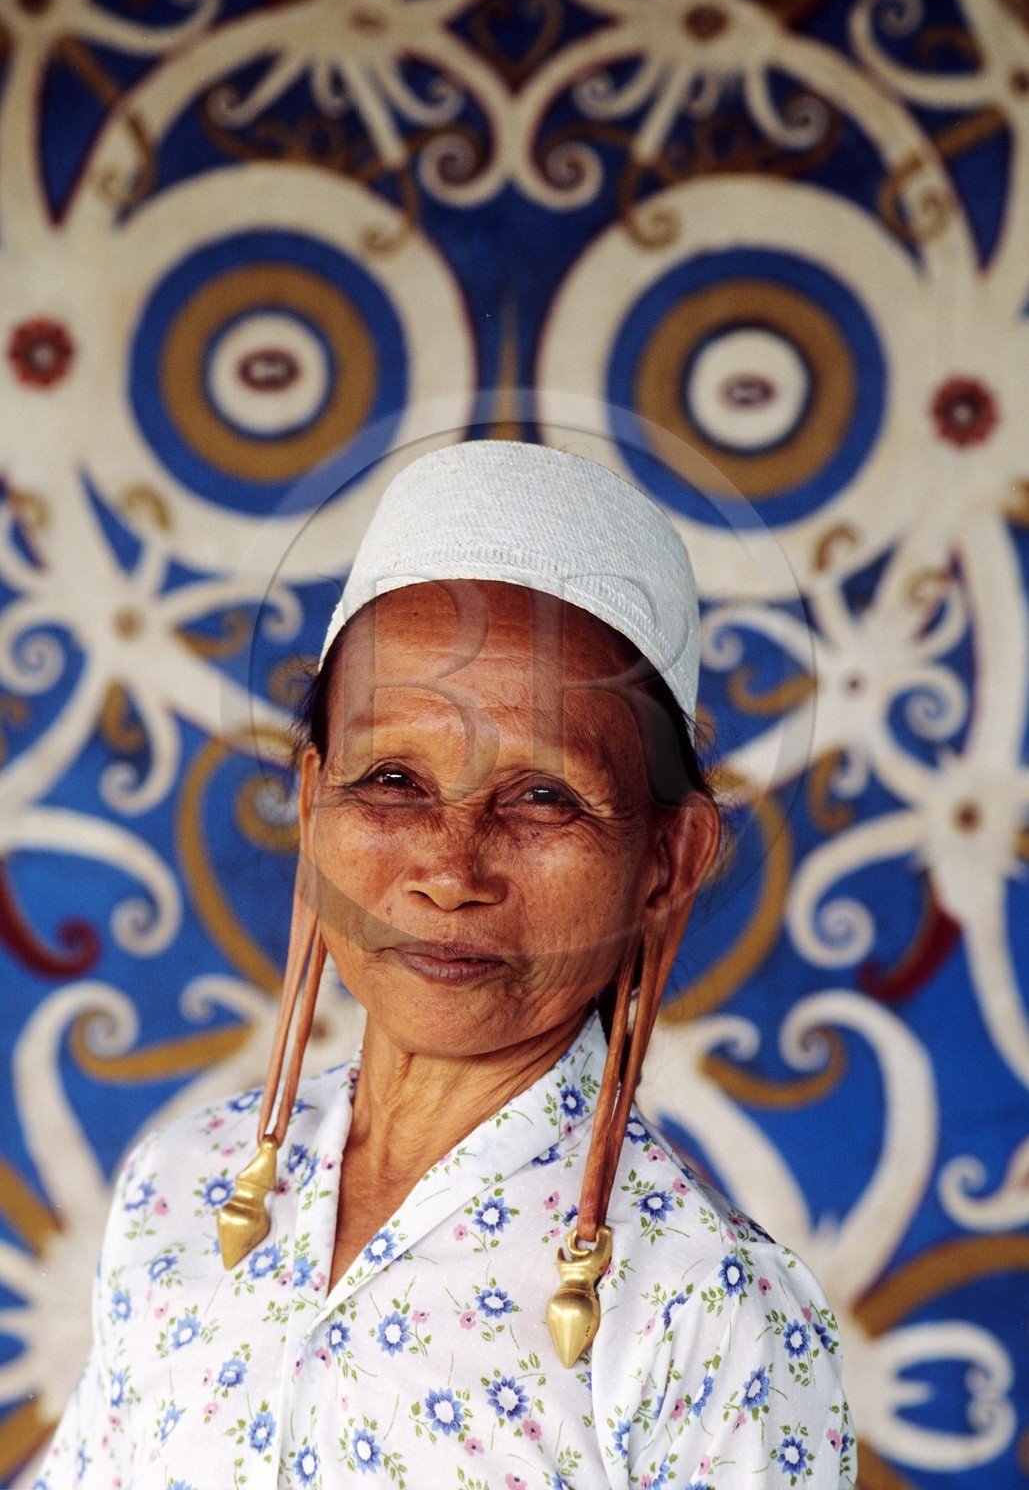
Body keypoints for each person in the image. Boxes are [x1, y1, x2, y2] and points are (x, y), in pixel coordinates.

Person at [39, 441, 855, 1488]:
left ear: (667, 860)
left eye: (545, 797)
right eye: (390, 779)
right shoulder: (181, 1186)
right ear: (311, 801)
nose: (449, 868)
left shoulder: (708, 1313)